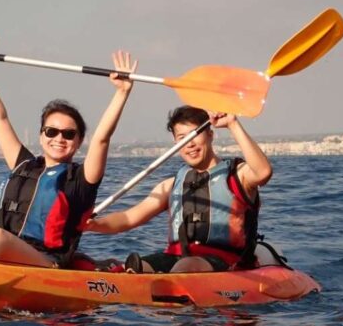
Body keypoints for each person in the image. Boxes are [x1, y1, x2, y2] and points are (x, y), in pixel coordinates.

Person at [0, 33, 137, 268]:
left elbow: (102, 138)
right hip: (3, 255)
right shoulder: (24, 165)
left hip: (46, 263)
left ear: (79, 140)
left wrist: (121, 92)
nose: (59, 138)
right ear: (41, 135)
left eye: (69, 134)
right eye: (51, 131)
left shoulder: (81, 180)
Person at [85, 106, 273, 273]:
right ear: (175, 142)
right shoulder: (170, 185)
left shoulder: (237, 175)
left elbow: (263, 172)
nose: (189, 144)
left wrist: (233, 124)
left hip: (226, 261)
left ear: (210, 134)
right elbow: (129, 218)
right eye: (182, 138)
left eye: (195, 134)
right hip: (176, 258)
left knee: (188, 266)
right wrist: (93, 224)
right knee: (137, 266)